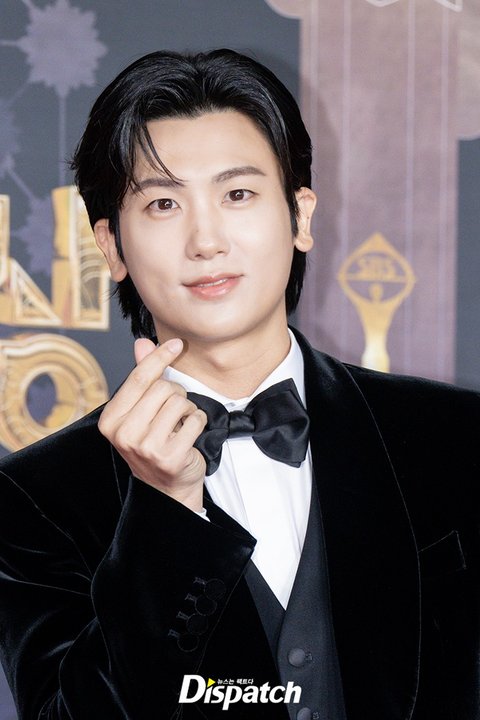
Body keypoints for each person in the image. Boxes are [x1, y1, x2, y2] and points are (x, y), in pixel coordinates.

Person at [0, 49, 478, 720]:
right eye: (163, 203)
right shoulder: (37, 496)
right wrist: (164, 516)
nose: (206, 240)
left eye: (238, 194)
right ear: (110, 247)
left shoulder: (459, 437)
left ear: (300, 216)